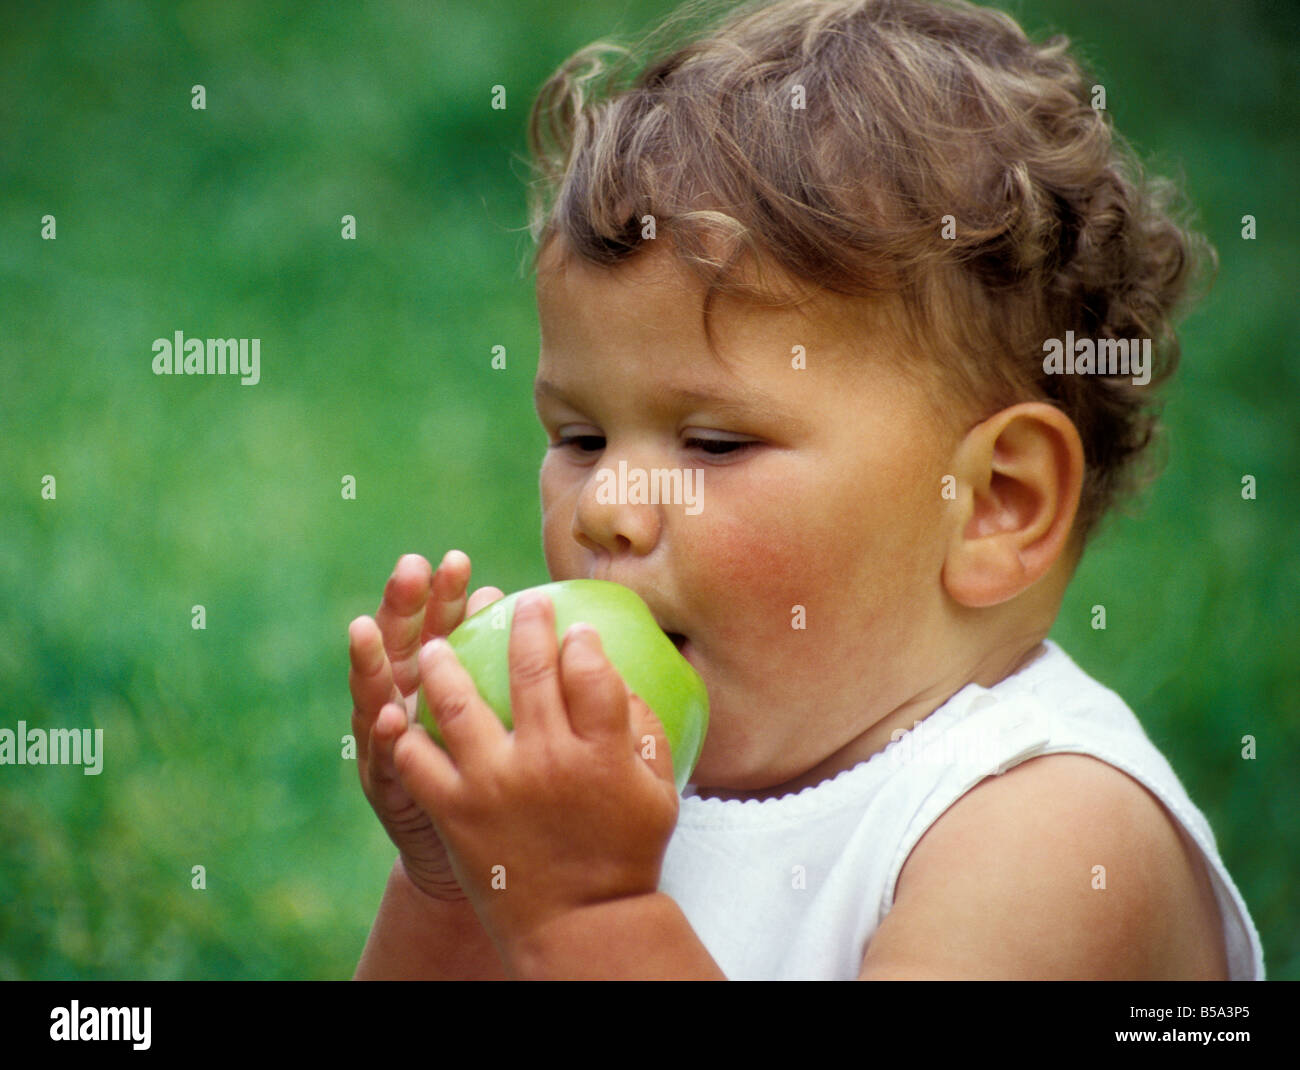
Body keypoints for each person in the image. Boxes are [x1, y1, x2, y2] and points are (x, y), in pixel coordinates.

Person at [348, 0, 1265, 979]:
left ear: (997, 501)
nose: (604, 505)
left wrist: (587, 915)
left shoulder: (1048, 832)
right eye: (579, 435)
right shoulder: (615, 789)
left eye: (713, 442)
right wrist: (454, 880)